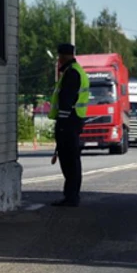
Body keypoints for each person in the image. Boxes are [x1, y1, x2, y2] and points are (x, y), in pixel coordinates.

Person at [48, 43, 90, 207]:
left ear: (64, 56)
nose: (58, 60)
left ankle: (71, 197)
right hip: (74, 121)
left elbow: (67, 100)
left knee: (69, 161)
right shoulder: (75, 71)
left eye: (59, 56)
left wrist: (63, 124)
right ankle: (71, 195)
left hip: (69, 122)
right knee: (71, 160)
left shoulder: (72, 73)